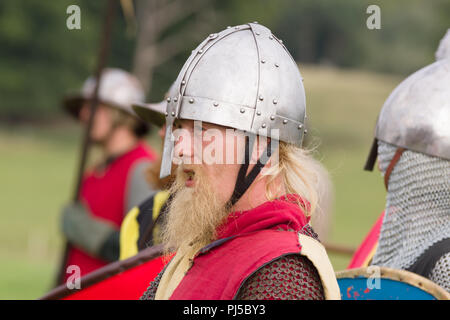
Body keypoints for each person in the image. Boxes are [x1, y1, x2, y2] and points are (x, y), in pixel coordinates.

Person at [136, 23, 340, 300]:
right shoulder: (197, 251)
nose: (178, 149)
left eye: (201, 132)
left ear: (263, 152)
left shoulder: (283, 272)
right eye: (179, 130)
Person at [362, 30, 450, 291]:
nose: (380, 164)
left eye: (388, 150)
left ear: (421, 163)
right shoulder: (400, 245)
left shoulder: (445, 264)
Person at [59, 68, 157, 283]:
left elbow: (143, 250)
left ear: (119, 114)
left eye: (95, 107)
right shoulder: (96, 171)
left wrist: (84, 229)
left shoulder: (142, 169)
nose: (84, 114)